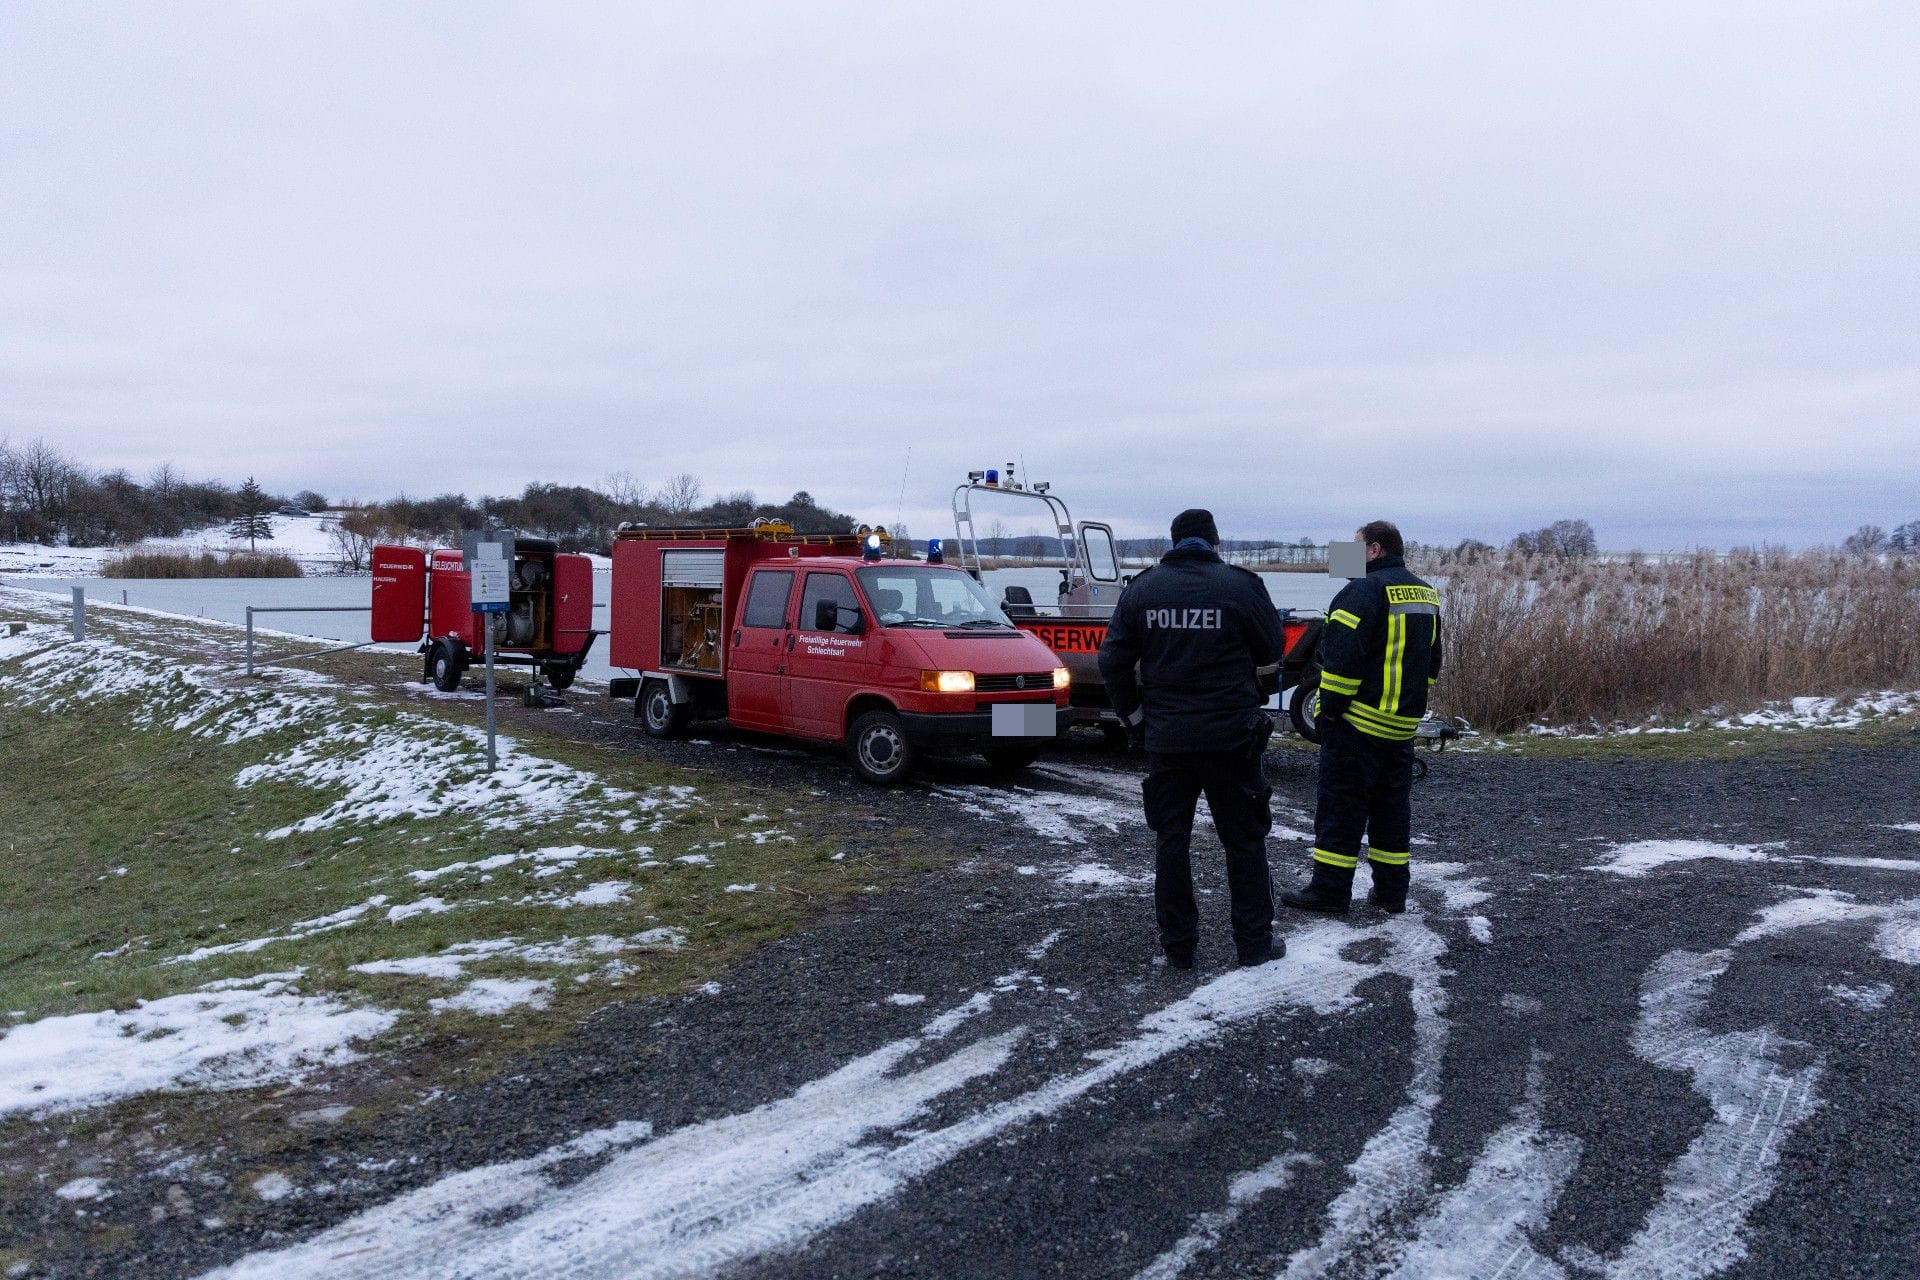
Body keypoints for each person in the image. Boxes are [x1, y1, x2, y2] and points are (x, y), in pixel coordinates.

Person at [1098, 508, 1289, 969]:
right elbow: (1272, 651)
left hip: (1167, 738)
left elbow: (1111, 661)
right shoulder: (1242, 586)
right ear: (1215, 542)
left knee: (1172, 840)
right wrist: (1250, 694)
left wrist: (1135, 717)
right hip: (1232, 738)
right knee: (1244, 841)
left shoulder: (1143, 589)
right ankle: (1254, 943)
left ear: (1174, 540)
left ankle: (1179, 946)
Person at [1283, 520, 1442, 915]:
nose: (1346, 555)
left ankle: (1329, 892)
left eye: (1354, 548)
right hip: (1401, 725)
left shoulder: (1358, 590)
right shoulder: (1425, 592)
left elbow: (1341, 665)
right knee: (1392, 811)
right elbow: (1432, 663)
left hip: (1358, 724)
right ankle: (1391, 894)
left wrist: (1326, 712)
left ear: (1374, 550)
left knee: (1341, 808)